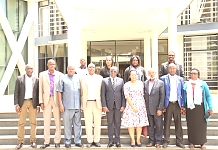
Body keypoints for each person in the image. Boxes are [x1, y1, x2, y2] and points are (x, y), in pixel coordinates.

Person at [183, 68, 213, 149]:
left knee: (201, 126)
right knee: (191, 125)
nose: (193, 75)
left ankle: (202, 142)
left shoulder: (203, 84)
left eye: (195, 73)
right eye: (191, 73)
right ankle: (192, 142)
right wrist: (183, 107)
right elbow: (184, 97)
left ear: (198, 75)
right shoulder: (186, 84)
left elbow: (208, 96)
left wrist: (210, 108)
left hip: (200, 108)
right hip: (190, 107)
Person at [56, 65, 83, 148]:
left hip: (77, 106)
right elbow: (59, 92)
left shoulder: (78, 78)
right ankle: (67, 141)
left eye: (73, 69)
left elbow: (81, 92)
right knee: (67, 125)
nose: (71, 70)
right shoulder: (63, 78)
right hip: (67, 106)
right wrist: (61, 104)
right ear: (67, 69)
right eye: (70, 69)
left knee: (78, 124)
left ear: (75, 70)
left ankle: (77, 141)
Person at [14, 64, 40, 150]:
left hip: (33, 102)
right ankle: (20, 141)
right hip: (23, 103)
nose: (29, 70)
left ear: (33, 70)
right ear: (25, 69)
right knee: (21, 123)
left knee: (33, 123)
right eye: (28, 68)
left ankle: (33, 141)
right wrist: (16, 104)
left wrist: (38, 105)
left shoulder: (36, 79)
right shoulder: (19, 79)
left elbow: (38, 93)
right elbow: (16, 92)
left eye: (31, 68)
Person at [39, 59, 63, 149]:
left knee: (57, 121)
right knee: (46, 122)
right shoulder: (42, 75)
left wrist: (61, 103)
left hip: (56, 100)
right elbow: (40, 89)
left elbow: (62, 89)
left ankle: (57, 141)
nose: (52, 65)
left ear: (55, 65)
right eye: (50, 64)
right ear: (47, 65)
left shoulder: (60, 75)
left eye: (53, 64)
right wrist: (41, 101)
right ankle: (46, 141)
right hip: (46, 100)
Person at [122, 69, 149, 147]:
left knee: (139, 124)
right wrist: (133, 106)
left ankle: (138, 139)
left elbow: (143, 94)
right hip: (131, 106)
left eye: (135, 75)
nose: (134, 76)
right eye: (132, 75)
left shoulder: (141, 84)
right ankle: (133, 140)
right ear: (129, 76)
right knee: (131, 124)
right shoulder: (127, 84)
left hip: (141, 105)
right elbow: (127, 96)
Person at [160, 63, 185, 148]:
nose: (172, 70)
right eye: (170, 68)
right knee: (167, 123)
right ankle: (166, 140)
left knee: (178, 123)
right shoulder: (163, 79)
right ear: (168, 69)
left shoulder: (180, 79)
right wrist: (163, 105)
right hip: (168, 104)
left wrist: (182, 105)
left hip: (177, 104)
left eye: (174, 68)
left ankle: (179, 141)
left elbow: (182, 92)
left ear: (176, 69)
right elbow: (162, 93)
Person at [101, 66, 125, 148]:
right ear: (109, 72)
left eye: (115, 71)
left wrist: (123, 105)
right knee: (110, 123)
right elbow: (103, 94)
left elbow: (123, 94)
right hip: (109, 105)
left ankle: (117, 141)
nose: (113, 73)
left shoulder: (121, 81)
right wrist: (104, 105)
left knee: (118, 123)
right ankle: (111, 141)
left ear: (117, 72)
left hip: (118, 105)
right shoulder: (104, 81)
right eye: (111, 71)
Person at [80, 63, 103, 148]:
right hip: (87, 103)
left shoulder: (100, 78)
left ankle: (96, 140)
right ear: (87, 68)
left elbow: (102, 92)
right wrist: (82, 105)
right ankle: (89, 140)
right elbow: (80, 92)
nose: (91, 69)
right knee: (88, 123)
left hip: (97, 103)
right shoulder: (82, 78)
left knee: (98, 123)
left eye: (93, 67)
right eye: (89, 67)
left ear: (95, 69)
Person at [144, 68, 165, 148]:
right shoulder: (145, 83)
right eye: (150, 73)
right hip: (148, 108)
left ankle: (158, 142)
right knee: (150, 126)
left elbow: (162, 96)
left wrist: (160, 108)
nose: (151, 74)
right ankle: (151, 141)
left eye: (153, 72)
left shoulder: (160, 83)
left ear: (155, 73)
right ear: (148, 74)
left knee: (159, 125)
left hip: (157, 108)